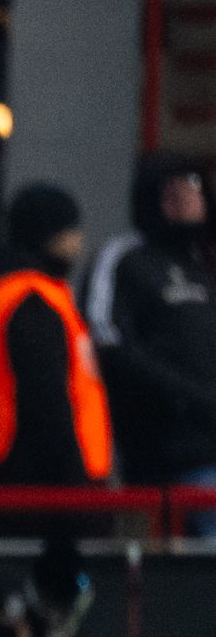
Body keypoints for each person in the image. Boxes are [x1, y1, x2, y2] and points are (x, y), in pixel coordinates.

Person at [0, 182, 109, 490]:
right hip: (39, 481)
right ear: (52, 236)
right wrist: (71, 477)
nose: (78, 242)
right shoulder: (33, 299)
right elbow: (47, 397)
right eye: (72, 231)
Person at [96, 155, 216, 527]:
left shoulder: (200, 263)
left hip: (207, 441)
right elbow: (108, 338)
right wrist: (188, 393)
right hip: (157, 447)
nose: (193, 197)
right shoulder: (125, 257)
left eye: (196, 186)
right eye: (183, 185)